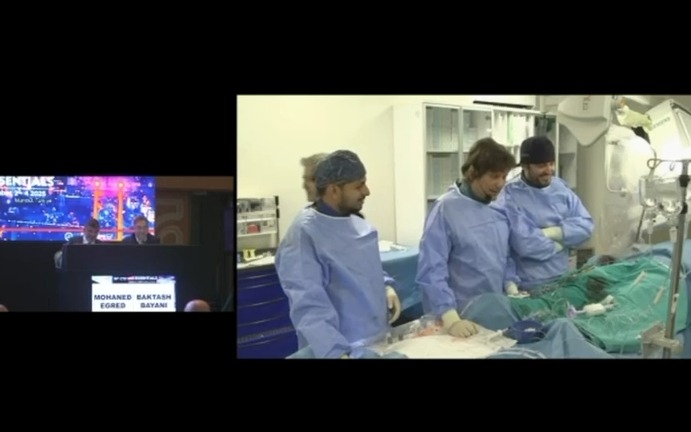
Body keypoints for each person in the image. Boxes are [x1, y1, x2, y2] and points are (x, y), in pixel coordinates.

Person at [276, 150, 403, 359]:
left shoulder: (357, 224)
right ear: (334, 190)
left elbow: (365, 269)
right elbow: (309, 306)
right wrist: (335, 352)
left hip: (376, 340)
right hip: (336, 347)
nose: (367, 191)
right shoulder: (304, 234)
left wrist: (385, 286)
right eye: (359, 186)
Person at [416, 138, 522, 339]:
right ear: (473, 173)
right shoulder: (446, 209)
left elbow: (504, 256)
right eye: (494, 176)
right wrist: (450, 318)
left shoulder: (497, 207)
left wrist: (511, 286)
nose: (500, 184)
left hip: (492, 310)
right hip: (457, 316)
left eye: (504, 176)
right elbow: (431, 270)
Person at [496, 136, 594, 290]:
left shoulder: (560, 188)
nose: (549, 170)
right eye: (541, 165)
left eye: (551, 163)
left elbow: (586, 227)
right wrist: (562, 243)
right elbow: (525, 244)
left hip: (563, 280)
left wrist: (551, 232)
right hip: (529, 284)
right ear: (525, 166)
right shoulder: (510, 195)